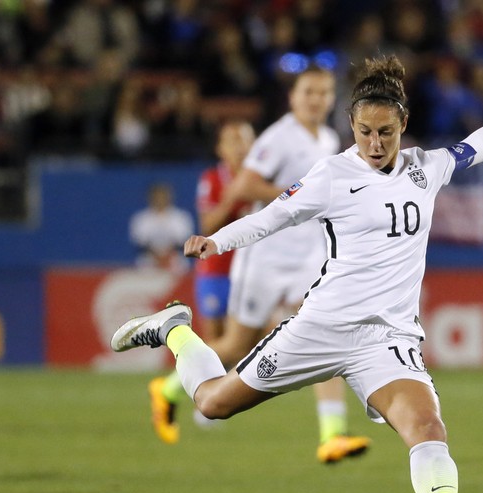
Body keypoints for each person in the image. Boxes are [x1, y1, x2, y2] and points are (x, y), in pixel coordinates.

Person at [112, 56, 483, 493]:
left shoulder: (428, 167)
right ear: (351, 127)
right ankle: (174, 330)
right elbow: (274, 217)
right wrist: (216, 241)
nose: (375, 143)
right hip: (321, 328)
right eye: (364, 132)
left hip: (387, 340)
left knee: (426, 425)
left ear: (403, 125)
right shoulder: (333, 175)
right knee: (212, 403)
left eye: (385, 132)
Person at [150, 68, 369, 464]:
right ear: (293, 98)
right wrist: (300, 200)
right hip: (264, 257)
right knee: (235, 345)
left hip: (307, 256)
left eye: (323, 92)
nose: (317, 99)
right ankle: (168, 388)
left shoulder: (328, 138)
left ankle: (332, 435)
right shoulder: (279, 137)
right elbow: (245, 185)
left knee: (328, 330)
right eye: (309, 92)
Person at [148, 120, 254, 444]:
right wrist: (234, 196)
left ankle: (192, 398)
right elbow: (208, 222)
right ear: (221, 149)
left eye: (244, 139)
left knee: (237, 345)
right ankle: (188, 397)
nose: (238, 146)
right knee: (215, 343)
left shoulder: (259, 178)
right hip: (216, 272)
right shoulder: (213, 179)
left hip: (248, 273)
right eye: (231, 140)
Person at [128, 182, 193, 272]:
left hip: (174, 256)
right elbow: (140, 242)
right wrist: (157, 256)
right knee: (143, 264)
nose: (160, 199)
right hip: (149, 257)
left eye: (163, 195)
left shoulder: (181, 216)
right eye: (157, 196)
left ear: (169, 196)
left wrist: (167, 255)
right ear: (150, 197)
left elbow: (183, 241)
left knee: (182, 264)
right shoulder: (141, 218)